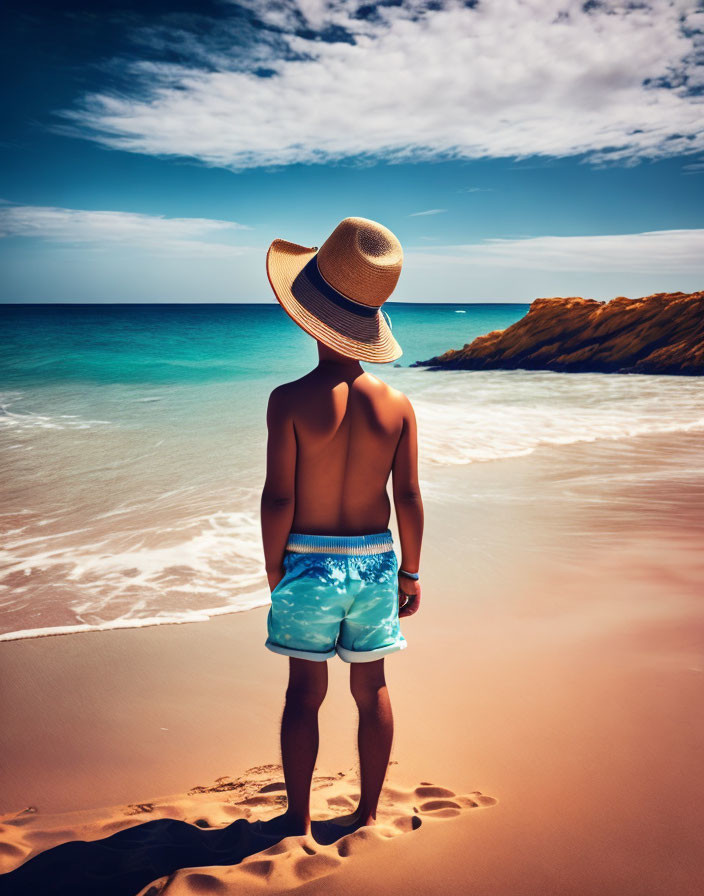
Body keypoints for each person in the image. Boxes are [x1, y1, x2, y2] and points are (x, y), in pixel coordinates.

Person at [259, 217, 424, 837]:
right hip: (378, 563)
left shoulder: (289, 400)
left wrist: (276, 564)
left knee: (305, 692)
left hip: (307, 560)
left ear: (308, 313)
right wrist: (410, 570)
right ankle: (368, 811)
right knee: (371, 686)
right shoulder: (397, 405)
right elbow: (407, 495)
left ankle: (298, 817)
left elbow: (279, 497)